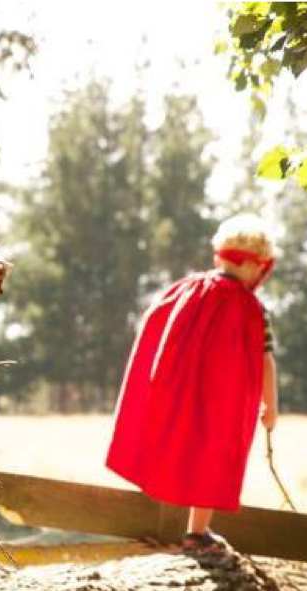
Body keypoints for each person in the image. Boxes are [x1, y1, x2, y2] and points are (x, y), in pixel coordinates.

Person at [105, 213, 278, 553]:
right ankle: (197, 532)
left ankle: (159, 520)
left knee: (174, 445)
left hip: (177, 391)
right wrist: (271, 407)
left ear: (219, 256)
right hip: (221, 402)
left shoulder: (186, 291)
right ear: (256, 266)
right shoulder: (251, 307)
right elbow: (265, 360)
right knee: (213, 456)